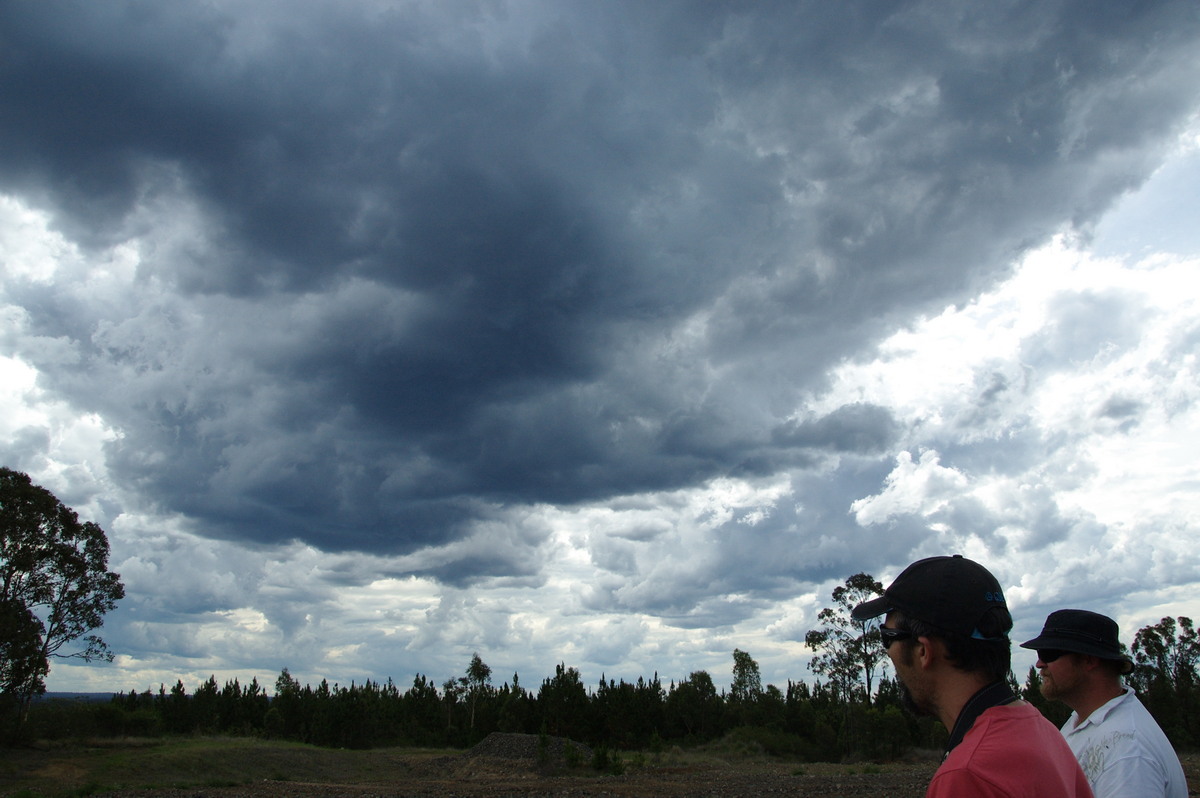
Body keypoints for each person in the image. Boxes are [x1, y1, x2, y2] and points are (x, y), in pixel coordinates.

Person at [852, 555, 1093, 798]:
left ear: (924, 651)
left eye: (887, 636)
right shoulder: (1043, 731)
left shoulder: (968, 776)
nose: (888, 652)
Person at [1020, 609, 1187, 798]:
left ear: (1089, 660)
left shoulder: (1128, 752)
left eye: (1049, 653)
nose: (1040, 664)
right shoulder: (1082, 722)